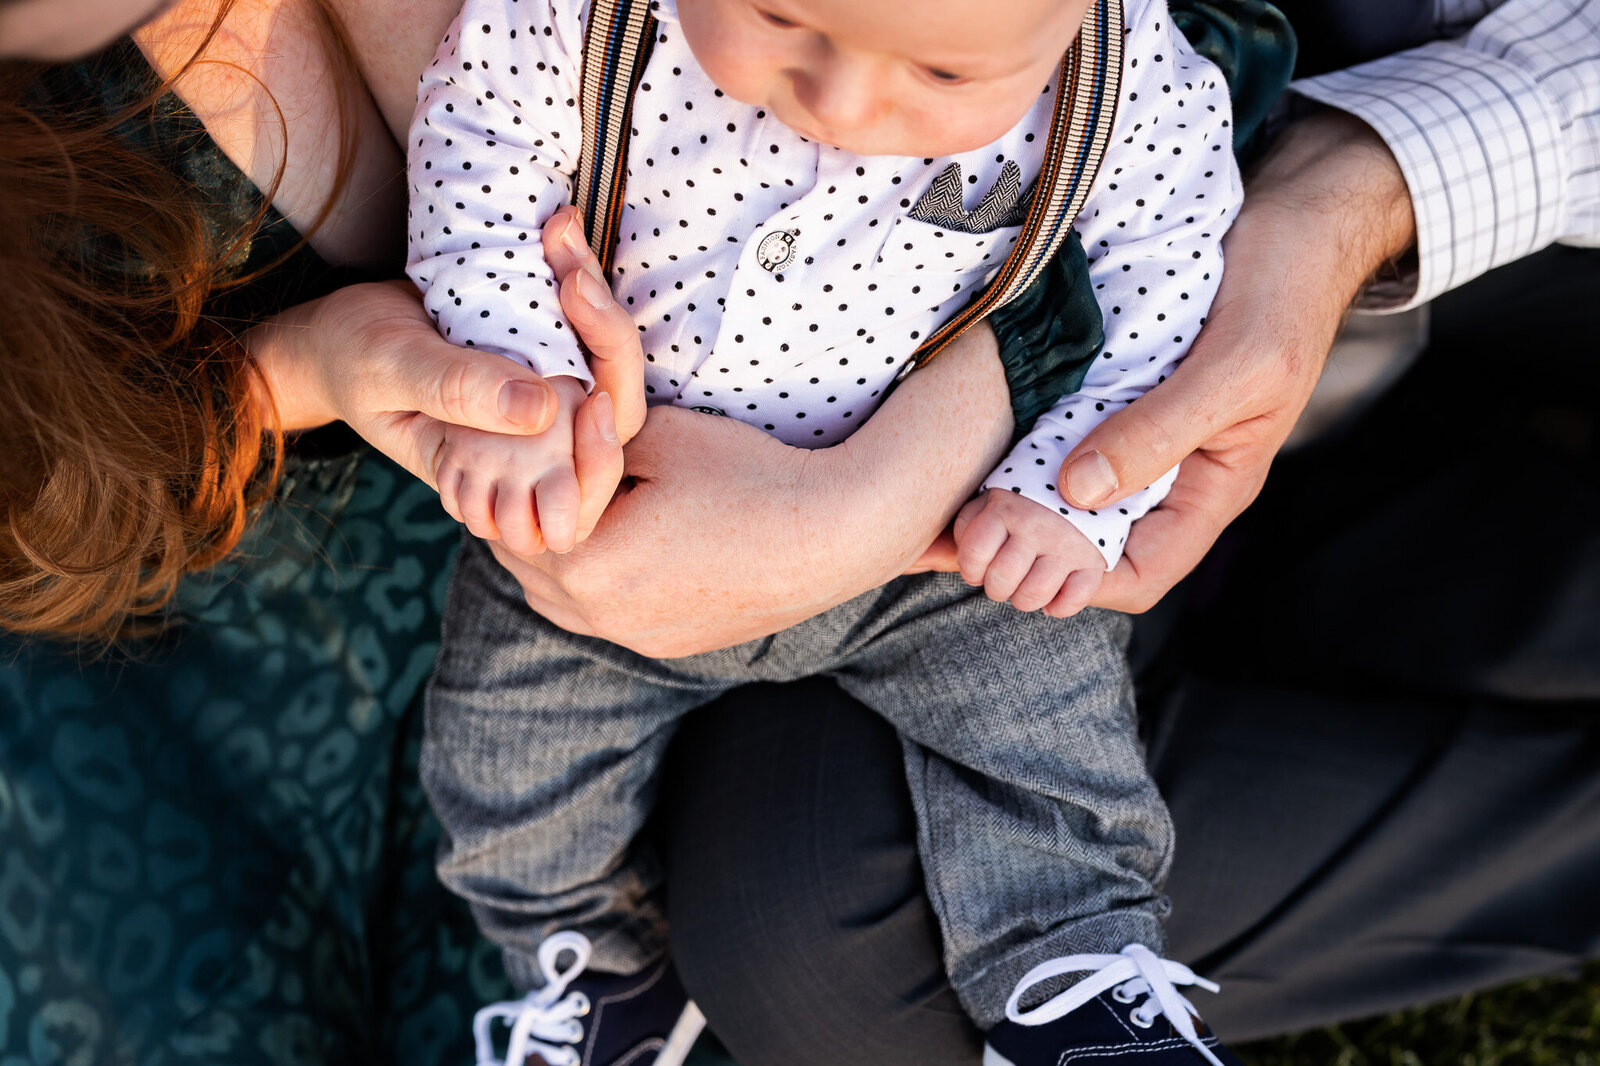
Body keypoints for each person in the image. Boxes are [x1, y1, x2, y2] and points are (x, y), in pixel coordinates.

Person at [404, 0, 1253, 1063]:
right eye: (775, 13)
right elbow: (480, 150)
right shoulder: (574, 16)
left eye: (943, 74)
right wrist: (520, 381)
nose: (842, 99)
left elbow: (1165, 276)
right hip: (617, 525)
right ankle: (596, 967)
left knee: (1044, 730)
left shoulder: (1127, 73)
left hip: (944, 542)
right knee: (505, 751)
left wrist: (1070, 492)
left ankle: (1069, 971)